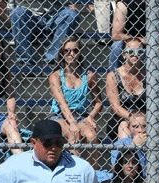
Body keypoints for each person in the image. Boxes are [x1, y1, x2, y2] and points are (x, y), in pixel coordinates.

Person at [49, 36, 103, 164]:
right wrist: (72, 123)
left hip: (81, 116)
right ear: (62, 53)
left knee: (92, 137)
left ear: (80, 52)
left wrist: (91, 116)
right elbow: (61, 103)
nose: (71, 54)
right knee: (73, 135)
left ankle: (93, 171)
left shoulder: (89, 76)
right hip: (60, 116)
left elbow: (98, 102)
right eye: (67, 51)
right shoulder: (56, 76)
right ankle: (73, 170)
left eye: (75, 50)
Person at [10, 1, 80, 67]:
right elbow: (11, 6)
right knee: (17, 13)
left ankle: (51, 60)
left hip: (54, 15)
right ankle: (26, 62)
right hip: (29, 16)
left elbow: (70, 5)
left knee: (72, 14)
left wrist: (69, 3)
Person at [105, 37, 146, 140]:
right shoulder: (113, 76)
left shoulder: (150, 74)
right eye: (131, 51)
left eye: (139, 51)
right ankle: (125, 155)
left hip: (146, 118)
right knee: (124, 128)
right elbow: (116, 107)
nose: (135, 54)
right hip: (122, 118)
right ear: (124, 55)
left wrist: (142, 120)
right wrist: (133, 118)